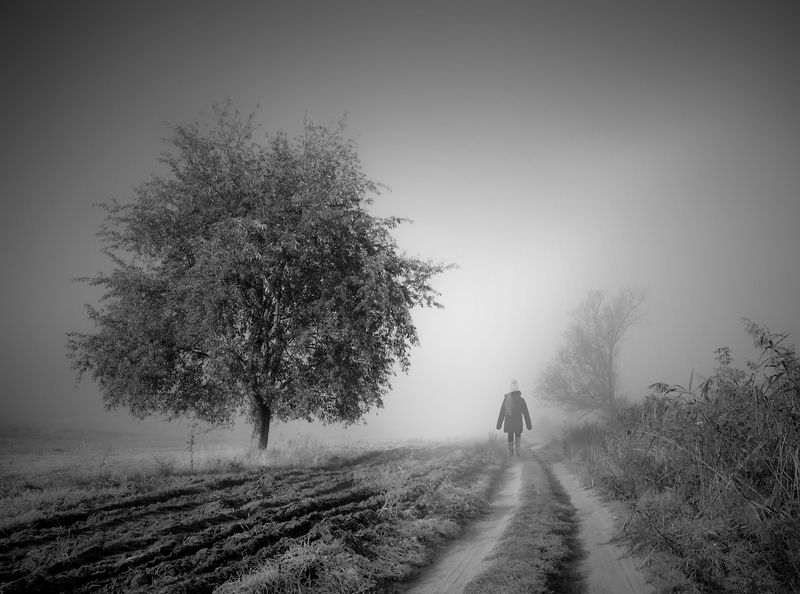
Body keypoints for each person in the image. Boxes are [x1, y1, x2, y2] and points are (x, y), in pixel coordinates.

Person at [496, 379, 532, 456]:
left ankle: (510, 452)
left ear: (510, 389)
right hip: (518, 422)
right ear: (518, 389)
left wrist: (499, 425)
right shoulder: (521, 400)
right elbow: (526, 413)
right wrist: (529, 425)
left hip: (509, 423)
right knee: (518, 435)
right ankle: (517, 451)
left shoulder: (506, 399)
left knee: (510, 436)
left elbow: (502, 412)